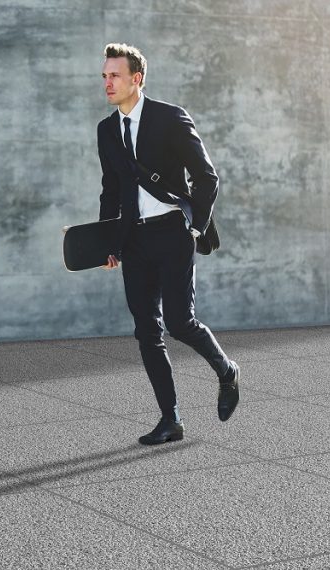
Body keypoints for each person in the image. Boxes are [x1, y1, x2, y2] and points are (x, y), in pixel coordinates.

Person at [97, 43, 240, 446]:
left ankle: (227, 371)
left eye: (115, 76)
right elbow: (111, 189)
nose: (107, 82)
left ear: (135, 79)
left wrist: (196, 227)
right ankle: (170, 419)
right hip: (134, 240)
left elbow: (207, 177)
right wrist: (110, 242)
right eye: (104, 75)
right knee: (147, 331)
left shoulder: (170, 117)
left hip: (172, 233)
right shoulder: (107, 130)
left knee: (180, 323)